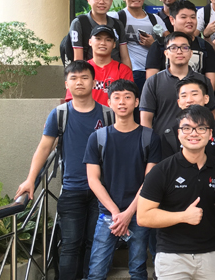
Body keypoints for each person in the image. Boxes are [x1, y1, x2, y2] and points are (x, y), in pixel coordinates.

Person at [16, 61, 112, 280]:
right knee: (70, 244)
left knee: (94, 243)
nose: (79, 82)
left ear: (94, 82)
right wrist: (31, 179)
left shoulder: (108, 115)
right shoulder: (59, 114)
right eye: (74, 78)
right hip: (72, 189)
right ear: (67, 83)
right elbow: (44, 147)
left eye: (85, 77)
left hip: (102, 192)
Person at [137, 105, 215, 279]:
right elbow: (143, 217)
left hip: (211, 254)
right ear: (178, 133)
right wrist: (182, 217)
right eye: (187, 128)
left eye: (201, 128)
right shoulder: (161, 170)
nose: (194, 133)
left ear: (210, 134)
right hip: (172, 256)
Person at [84, 79, 161, 280]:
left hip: (140, 213)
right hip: (108, 214)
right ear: (109, 102)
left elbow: (149, 181)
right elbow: (93, 180)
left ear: (136, 102)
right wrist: (117, 212)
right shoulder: (98, 138)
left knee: (138, 270)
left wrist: (129, 213)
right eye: (116, 97)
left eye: (127, 97)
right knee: (96, 271)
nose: (122, 102)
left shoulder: (150, 137)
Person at [140, 32, 215, 141]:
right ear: (166, 53)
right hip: (163, 142)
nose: (179, 51)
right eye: (174, 48)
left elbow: (211, 114)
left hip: (195, 141)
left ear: (191, 53)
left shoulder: (203, 81)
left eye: (184, 47)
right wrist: (149, 144)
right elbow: (146, 119)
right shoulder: (154, 81)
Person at [108, 0, 169, 91]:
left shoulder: (155, 19)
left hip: (153, 72)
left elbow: (171, 42)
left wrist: (154, 45)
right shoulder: (117, 18)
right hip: (130, 72)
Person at [145, 0, 215, 89]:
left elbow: (211, 83)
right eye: (183, 17)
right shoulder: (159, 46)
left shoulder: (205, 47)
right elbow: (151, 83)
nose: (189, 21)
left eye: (193, 17)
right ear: (172, 20)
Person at [159, 78, 215, 161]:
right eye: (184, 96)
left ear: (206, 98)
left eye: (194, 94)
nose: (189, 100)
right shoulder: (169, 135)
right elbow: (168, 169)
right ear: (179, 102)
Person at [69, 0, 132, 69]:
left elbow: (125, 58)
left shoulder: (117, 24)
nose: (101, 2)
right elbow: (78, 60)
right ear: (89, 0)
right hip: (92, 76)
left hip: (116, 78)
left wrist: (128, 80)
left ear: (111, 1)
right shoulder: (79, 23)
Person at [65, 26, 133, 106]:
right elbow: (71, 101)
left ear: (114, 44)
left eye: (108, 40)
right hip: (86, 116)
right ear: (90, 42)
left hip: (113, 117)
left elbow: (129, 101)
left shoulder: (123, 70)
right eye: (98, 38)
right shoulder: (81, 69)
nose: (103, 43)